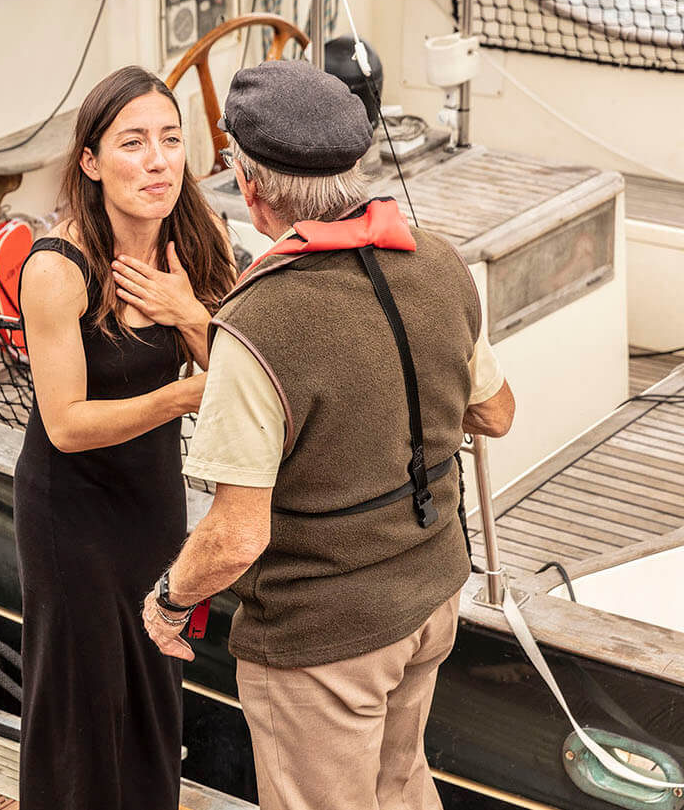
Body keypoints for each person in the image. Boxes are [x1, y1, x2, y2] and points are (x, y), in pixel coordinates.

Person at [141, 60, 517, 810]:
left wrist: (168, 601)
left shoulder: (256, 322)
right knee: (401, 784)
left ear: (250, 186)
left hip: (324, 641)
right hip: (431, 596)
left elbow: (237, 537)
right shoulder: (440, 263)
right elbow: (496, 413)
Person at [14, 65, 236, 810]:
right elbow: (66, 423)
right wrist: (179, 396)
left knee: (152, 682)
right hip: (70, 511)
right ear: (91, 161)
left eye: (171, 140)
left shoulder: (198, 240)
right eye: (133, 143)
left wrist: (188, 312)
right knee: (84, 696)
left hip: (152, 502)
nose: (157, 161)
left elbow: (243, 372)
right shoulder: (58, 267)